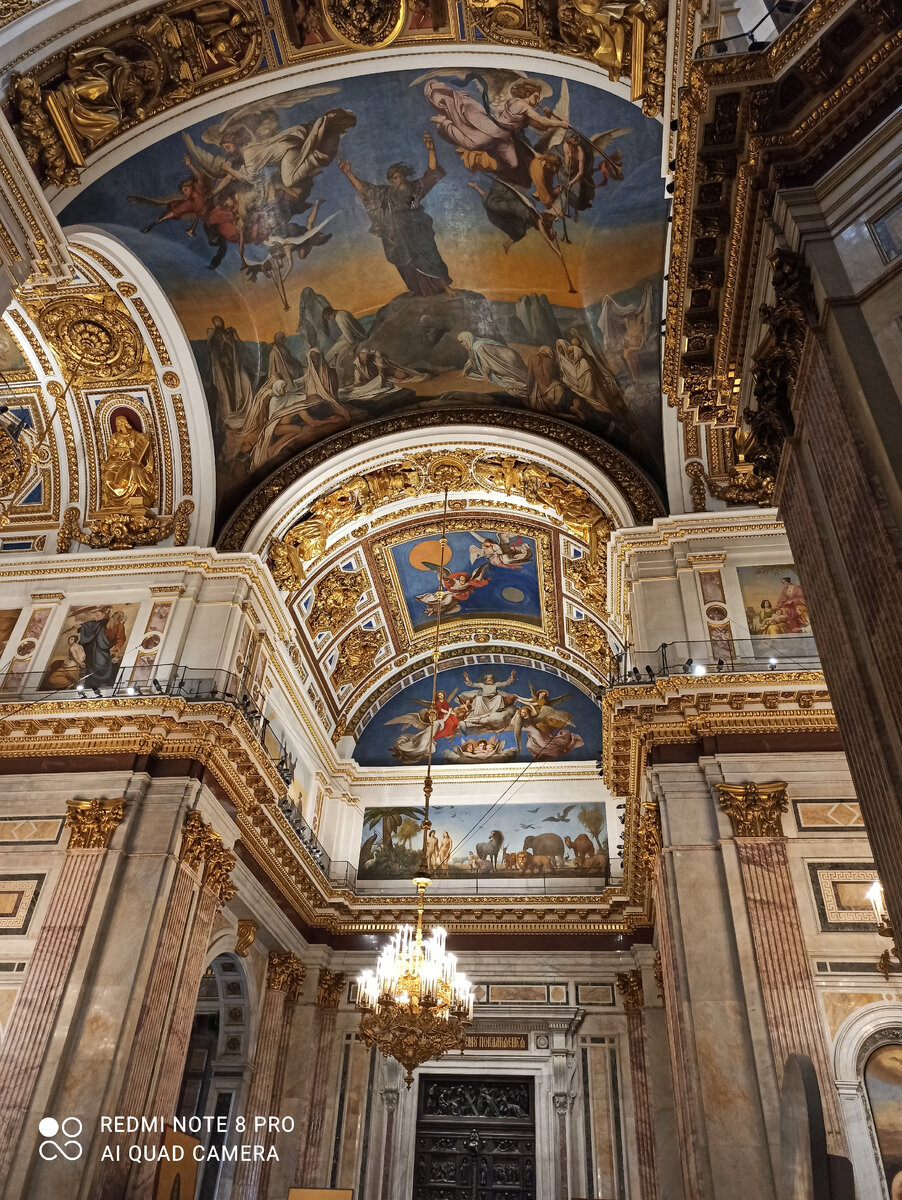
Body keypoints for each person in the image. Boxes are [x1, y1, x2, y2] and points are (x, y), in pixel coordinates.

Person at [338, 134, 453, 296]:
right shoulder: (385, 194)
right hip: (398, 235)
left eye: (401, 176)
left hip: (418, 232)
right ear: (391, 181)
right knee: (406, 262)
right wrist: (348, 174)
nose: (400, 180)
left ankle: (445, 286)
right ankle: (417, 289)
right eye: (395, 178)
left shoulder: (414, 188)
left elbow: (431, 175)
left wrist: (431, 150)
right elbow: (366, 191)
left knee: (430, 257)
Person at [424, 77, 569, 175]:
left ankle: (490, 156)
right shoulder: (520, 104)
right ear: (527, 93)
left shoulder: (525, 111)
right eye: (536, 97)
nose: (538, 101)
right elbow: (541, 121)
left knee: (513, 164)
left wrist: (548, 115)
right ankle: (445, 122)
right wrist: (561, 123)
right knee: (473, 142)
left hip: (504, 137)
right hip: (493, 128)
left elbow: (542, 127)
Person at [206, 315, 255, 421]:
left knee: (236, 385)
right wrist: (221, 357)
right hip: (222, 366)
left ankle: (238, 407)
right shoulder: (213, 334)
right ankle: (228, 411)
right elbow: (212, 348)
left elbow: (236, 346)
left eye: (220, 321)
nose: (219, 323)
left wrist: (232, 336)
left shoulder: (229, 333)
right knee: (226, 387)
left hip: (233, 364)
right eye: (217, 321)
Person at [101, 416, 156, 509]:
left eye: (120, 423)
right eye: (117, 424)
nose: (118, 426)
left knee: (133, 467)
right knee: (107, 478)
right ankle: (113, 501)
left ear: (125, 423)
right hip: (117, 464)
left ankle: (136, 494)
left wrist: (143, 440)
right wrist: (117, 450)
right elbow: (110, 450)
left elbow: (142, 447)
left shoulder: (135, 434)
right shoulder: (115, 436)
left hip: (130, 462)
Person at [458, 332, 530, 397]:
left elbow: (486, 362)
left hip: (507, 359)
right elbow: (472, 360)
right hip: (510, 355)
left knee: (515, 379)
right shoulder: (475, 344)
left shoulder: (478, 346)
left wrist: (485, 375)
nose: (461, 344)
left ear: (467, 339)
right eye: (460, 342)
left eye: (462, 341)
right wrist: (464, 371)